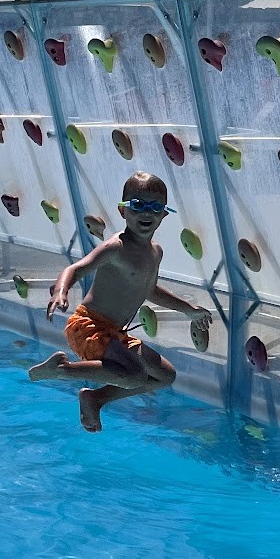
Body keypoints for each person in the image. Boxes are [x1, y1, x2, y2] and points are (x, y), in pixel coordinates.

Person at [29, 172, 211, 433]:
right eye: (137, 205)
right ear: (122, 211)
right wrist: (61, 291)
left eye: (155, 207)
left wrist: (188, 310)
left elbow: (149, 290)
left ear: (164, 214)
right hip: (89, 326)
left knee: (164, 376)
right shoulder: (116, 247)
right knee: (134, 376)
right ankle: (62, 370)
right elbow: (76, 269)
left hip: (115, 333)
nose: (146, 213)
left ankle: (95, 398)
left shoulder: (155, 252)